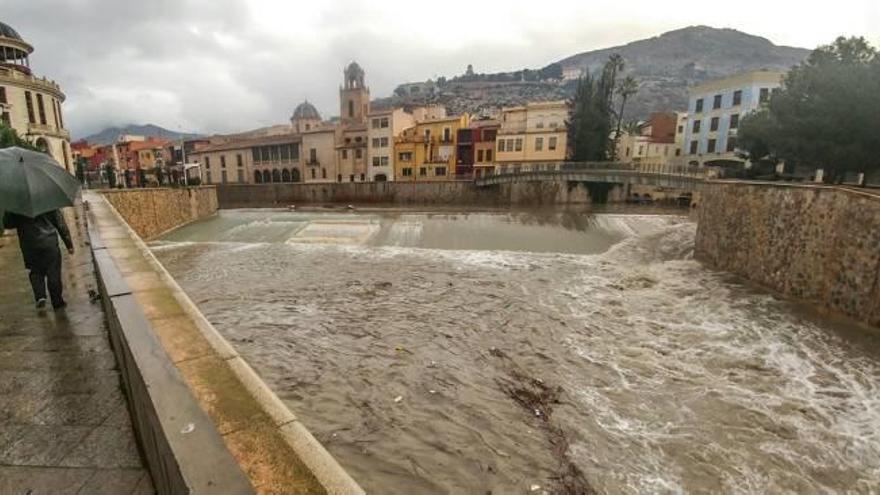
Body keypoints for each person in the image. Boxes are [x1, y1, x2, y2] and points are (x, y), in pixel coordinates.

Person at [2, 209, 74, 311]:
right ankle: (57, 302)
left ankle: (40, 295)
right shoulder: (48, 200)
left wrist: (10, 212)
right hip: (49, 242)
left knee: (35, 271)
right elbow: (60, 223)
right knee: (53, 271)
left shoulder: (17, 206)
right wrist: (68, 243)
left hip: (29, 245)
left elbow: (7, 224)